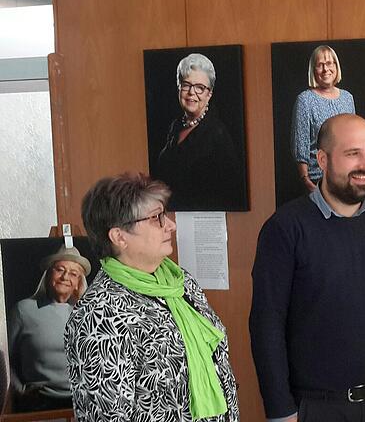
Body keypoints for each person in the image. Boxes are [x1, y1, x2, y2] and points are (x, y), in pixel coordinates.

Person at [251, 114, 365, 422]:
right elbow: (266, 325)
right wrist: (280, 410)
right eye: (353, 154)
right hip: (320, 408)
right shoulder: (284, 229)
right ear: (322, 160)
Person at [65, 173, 240, 421]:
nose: (170, 225)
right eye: (156, 218)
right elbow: (108, 415)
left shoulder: (180, 282)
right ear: (119, 237)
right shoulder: (100, 314)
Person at [153, 53, 246, 211]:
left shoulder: (218, 135)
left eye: (200, 88)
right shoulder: (175, 126)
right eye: (186, 85)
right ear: (179, 87)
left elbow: (227, 192)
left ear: (209, 94)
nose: (191, 92)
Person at [7, 244, 90, 412]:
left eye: (74, 274)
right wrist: (20, 390)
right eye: (60, 269)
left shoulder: (86, 315)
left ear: (77, 284)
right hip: (40, 404)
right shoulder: (24, 310)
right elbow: (4, 357)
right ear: (48, 274)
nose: (65, 276)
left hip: (83, 403)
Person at [291, 45, 355, 191]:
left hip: (346, 177)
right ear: (313, 70)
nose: (326, 69)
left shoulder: (347, 98)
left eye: (329, 63)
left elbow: (353, 139)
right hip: (317, 180)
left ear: (336, 66)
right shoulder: (305, 100)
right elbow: (300, 143)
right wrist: (306, 180)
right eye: (320, 65)